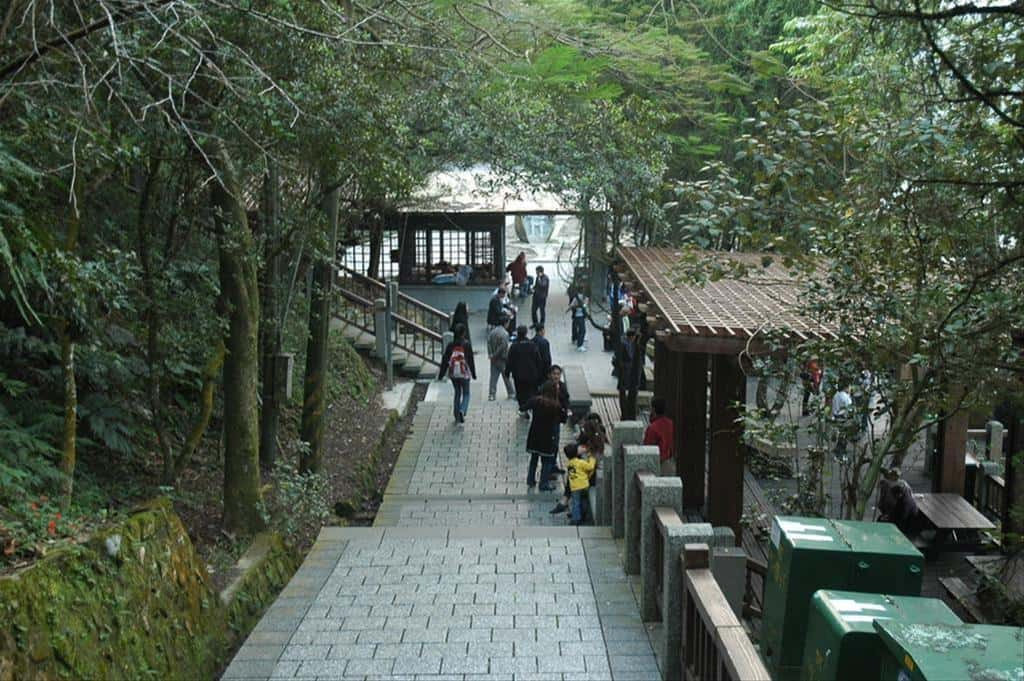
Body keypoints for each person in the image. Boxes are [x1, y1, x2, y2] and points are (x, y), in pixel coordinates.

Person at [525, 382, 565, 490]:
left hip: (534, 434)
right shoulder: (555, 406)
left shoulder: (535, 400)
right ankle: (543, 483)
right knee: (546, 461)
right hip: (547, 437)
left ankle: (530, 479)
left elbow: (524, 407)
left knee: (534, 458)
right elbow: (563, 419)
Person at [438, 324, 477, 423]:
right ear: (464, 333)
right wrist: (473, 373)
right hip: (464, 373)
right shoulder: (466, 344)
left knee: (457, 393)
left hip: (453, 374)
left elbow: (445, 360)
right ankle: (462, 410)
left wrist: (441, 375)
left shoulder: (450, 345)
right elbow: (471, 360)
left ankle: (456, 415)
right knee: (466, 393)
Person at [507, 325, 543, 416]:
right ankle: (530, 407)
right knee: (530, 391)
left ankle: (523, 408)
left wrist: (507, 372)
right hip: (532, 374)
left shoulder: (514, 346)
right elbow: (538, 360)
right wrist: (540, 372)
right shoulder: (532, 345)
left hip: (518, 375)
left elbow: (510, 360)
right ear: (526, 333)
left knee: (520, 392)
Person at [877, 468, 920, 537]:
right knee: (881, 519)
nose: (893, 477)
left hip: (906, 521)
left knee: (882, 521)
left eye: (895, 475)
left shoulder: (903, 487)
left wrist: (891, 517)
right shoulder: (887, 484)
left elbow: (903, 517)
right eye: (892, 475)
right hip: (894, 511)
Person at [565, 443, 596, 526]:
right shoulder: (580, 462)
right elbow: (590, 467)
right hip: (584, 485)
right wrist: (592, 458)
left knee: (576, 502)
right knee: (584, 501)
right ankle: (583, 515)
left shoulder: (569, 464)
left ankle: (576, 518)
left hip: (575, 487)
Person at [644, 397, 676, 476]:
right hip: (669, 464)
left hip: (657, 466)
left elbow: (647, 448)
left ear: (653, 409)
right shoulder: (670, 424)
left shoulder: (652, 428)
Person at [616, 327, 642, 420]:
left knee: (628, 393)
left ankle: (629, 414)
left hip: (631, 373)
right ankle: (625, 414)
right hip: (625, 372)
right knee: (623, 393)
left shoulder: (633, 344)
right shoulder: (624, 344)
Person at [487, 315, 514, 401]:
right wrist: (495, 354)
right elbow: (503, 346)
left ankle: (492, 394)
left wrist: (491, 354)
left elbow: (488, 343)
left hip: (493, 359)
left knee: (493, 377)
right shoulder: (505, 334)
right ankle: (511, 393)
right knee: (506, 376)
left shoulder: (492, 332)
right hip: (502, 358)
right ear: (505, 323)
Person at [831, 385, 854, 461]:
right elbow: (850, 409)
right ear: (846, 387)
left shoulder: (836, 395)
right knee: (843, 438)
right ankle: (840, 455)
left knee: (839, 437)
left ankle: (837, 453)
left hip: (836, 417)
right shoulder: (846, 397)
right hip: (843, 418)